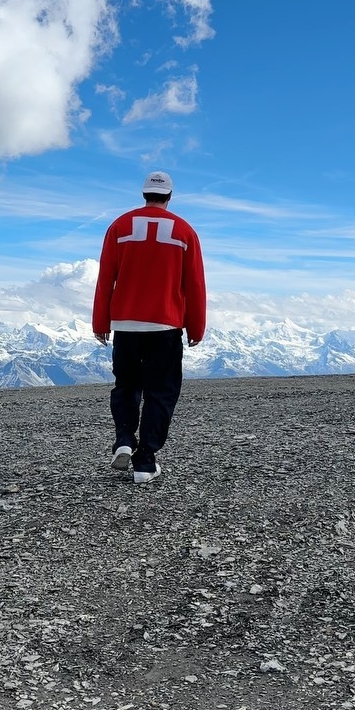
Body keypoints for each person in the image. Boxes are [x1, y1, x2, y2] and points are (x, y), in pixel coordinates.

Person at [92, 171, 206, 484]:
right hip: (166, 326)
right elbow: (194, 284)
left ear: (143, 194)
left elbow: (106, 278)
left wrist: (101, 322)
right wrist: (196, 326)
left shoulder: (119, 226)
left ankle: (125, 440)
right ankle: (145, 461)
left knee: (126, 386)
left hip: (126, 326)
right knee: (161, 392)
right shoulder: (184, 231)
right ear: (170, 196)